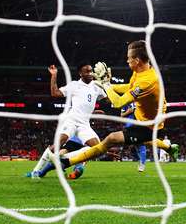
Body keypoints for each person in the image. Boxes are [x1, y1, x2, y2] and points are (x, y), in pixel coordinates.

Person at [57, 40, 179, 170]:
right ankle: (170, 148)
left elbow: (118, 103)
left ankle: (67, 162)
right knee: (141, 141)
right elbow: (129, 87)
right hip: (142, 117)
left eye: (129, 59)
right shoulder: (141, 71)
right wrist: (110, 85)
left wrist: (106, 85)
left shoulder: (147, 81)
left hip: (152, 124)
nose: (127, 61)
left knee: (112, 139)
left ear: (137, 60)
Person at [26, 63, 106, 178]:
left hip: (84, 124)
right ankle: (36, 171)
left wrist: (107, 85)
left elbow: (109, 100)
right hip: (71, 121)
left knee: (97, 148)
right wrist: (54, 75)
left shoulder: (97, 86)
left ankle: (63, 159)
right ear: (80, 73)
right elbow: (55, 93)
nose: (90, 73)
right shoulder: (74, 85)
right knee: (56, 145)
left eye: (91, 71)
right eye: (86, 71)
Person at [121, 103, 147, 172]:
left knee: (141, 145)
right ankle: (140, 161)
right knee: (133, 147)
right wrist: (128, 112)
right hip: (129, 126)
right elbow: (121, 115)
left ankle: (142, 164)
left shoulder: (141, 101)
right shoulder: (126, 103)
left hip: (140, 125)